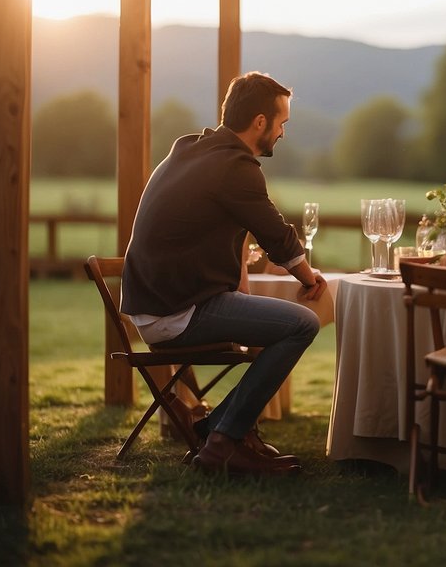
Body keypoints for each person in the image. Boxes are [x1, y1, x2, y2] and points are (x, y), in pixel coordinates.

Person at [121, 72, 328, 476]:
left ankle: (223, 429)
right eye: (282, 122)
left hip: (155, 305)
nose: (283, 133)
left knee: (272, 322)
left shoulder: (191, 151)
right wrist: (310, 278)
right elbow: (276, 234)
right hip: (176, 312)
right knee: (301, 323)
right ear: (260, 123)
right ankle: (223, 441)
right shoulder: (235, 165)